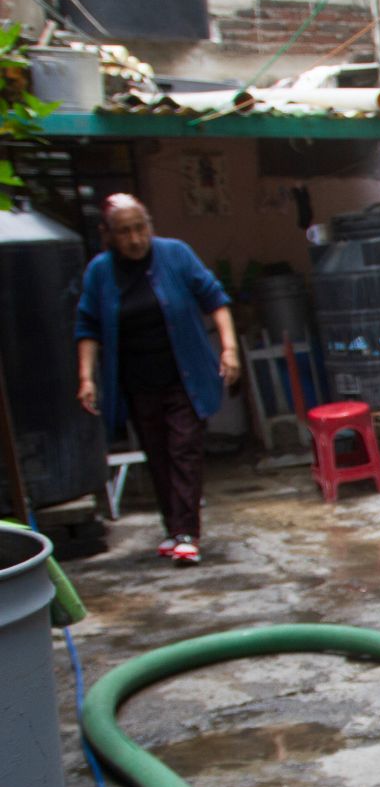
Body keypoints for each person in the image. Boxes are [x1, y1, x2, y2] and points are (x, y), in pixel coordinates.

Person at [74, 194, 241, 566]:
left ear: (149, 226)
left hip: (185, 377)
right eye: (124, 232)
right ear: (108, 236)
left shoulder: (176, 254)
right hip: (137, 382)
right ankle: (172, 528)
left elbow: (214, 299)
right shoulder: (100, 272)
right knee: (158, 455)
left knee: (184, 449)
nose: (134, 239)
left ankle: (186, 533)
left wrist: (229, 350)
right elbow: (88, 326)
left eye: (140, 229)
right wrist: (86, 377)